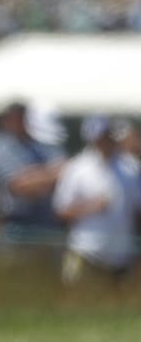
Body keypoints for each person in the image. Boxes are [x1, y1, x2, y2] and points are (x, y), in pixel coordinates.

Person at [53, 115, 141, 285]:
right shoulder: (77, 168)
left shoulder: (131, 168)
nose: (104, 142)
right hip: (85, 253)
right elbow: (61, 210)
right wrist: (91, 207)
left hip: (120, 257)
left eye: (107, 137)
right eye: (100, 137)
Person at [0, 101, 67, 245]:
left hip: (48, 225)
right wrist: (49, 176)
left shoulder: (40, 142)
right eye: (18, 117)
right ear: (6, 119)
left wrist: (34, 176)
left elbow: (66, 171)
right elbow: (20, 186)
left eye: (24, 116)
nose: (23, 121)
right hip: (15, 226)